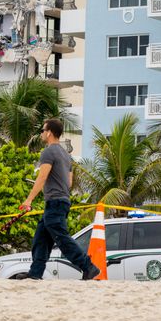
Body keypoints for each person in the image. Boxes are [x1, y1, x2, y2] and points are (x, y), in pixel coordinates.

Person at [20, 118, 100, 281]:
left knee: (62, 239)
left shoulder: (48, 152)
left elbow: (42, 178)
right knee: (40, 239)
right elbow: (69, 182)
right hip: (62, 201)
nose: (41, 133)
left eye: (43, 130)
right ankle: (35, 274)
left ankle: (88, 267)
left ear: (49, 133)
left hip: (55, 202)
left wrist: (28, 200)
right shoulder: (65, 154)